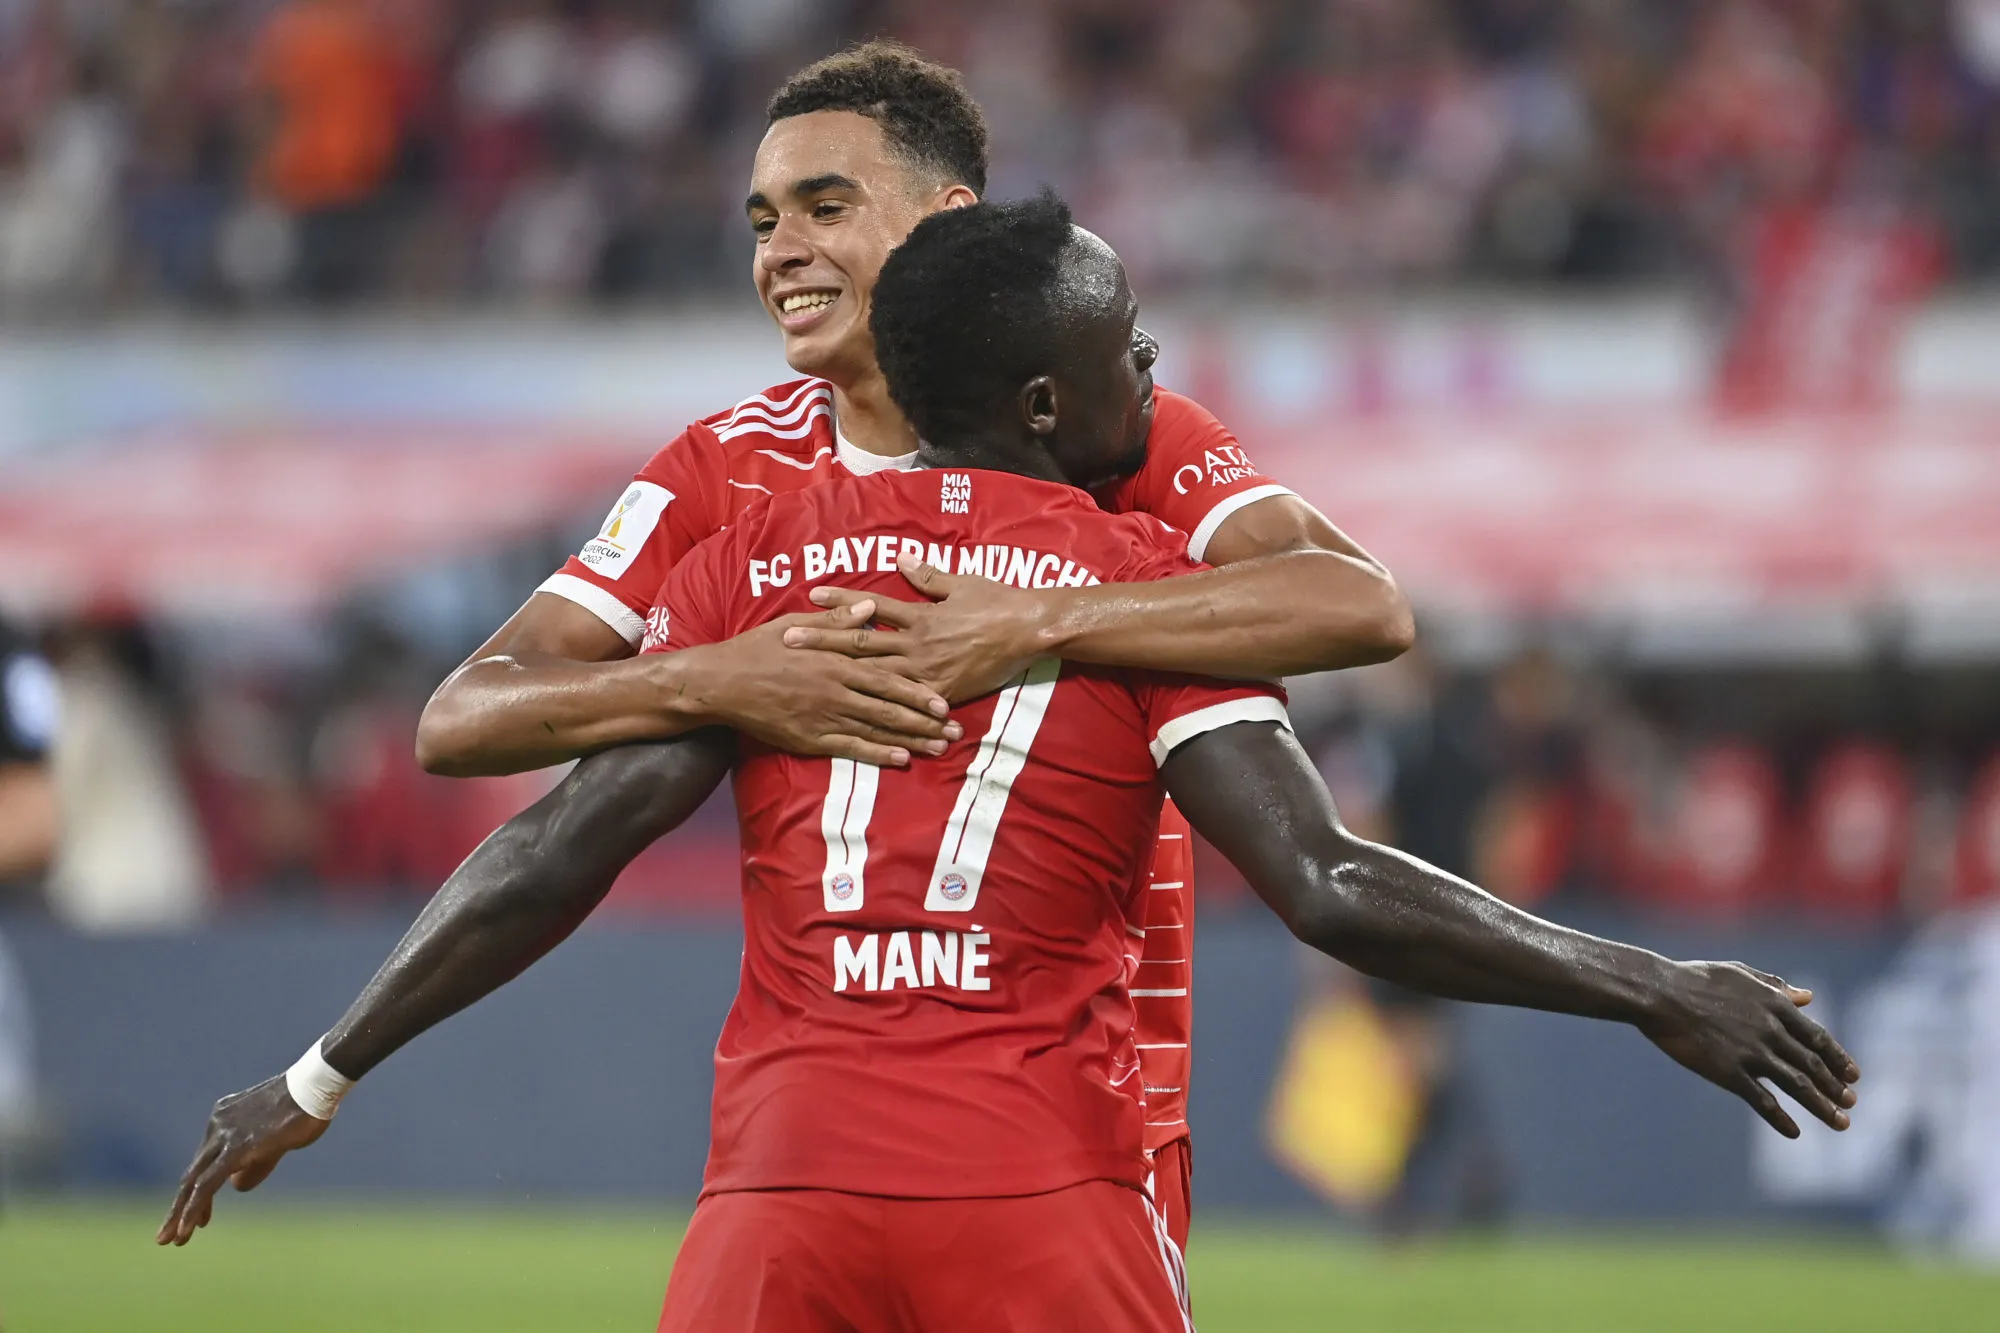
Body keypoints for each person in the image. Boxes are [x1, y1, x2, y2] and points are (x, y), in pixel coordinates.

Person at [160, 197, 1859, 1332]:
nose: (1157, 370)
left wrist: (318, 1072)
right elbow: (1331, 884)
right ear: (1049, 402)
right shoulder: (1153, 588)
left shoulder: (761, 567)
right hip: (1042, 1199)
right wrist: (1652, 984)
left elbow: (559, 848)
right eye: (1134, 347)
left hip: (781, 1199)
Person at [411, 41, 1414, 1245]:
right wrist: (717, 677)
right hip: (825, 1129)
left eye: (824, 208)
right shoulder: (725, 469)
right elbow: (465, 715)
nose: (780, 251)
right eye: (762, 221)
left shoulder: (1102, 424)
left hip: (1093, 1118)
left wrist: (1042, 617)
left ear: (943, 220)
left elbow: (1357, 603)